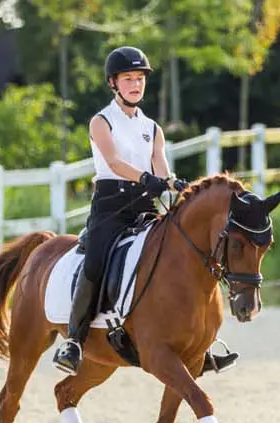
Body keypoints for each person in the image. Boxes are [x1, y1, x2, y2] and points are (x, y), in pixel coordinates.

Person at [54, 46, 187, 375]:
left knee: (181, 254)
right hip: (111, 207)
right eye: (128, 78)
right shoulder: (101, 121)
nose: (136, 84)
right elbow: (113, 162)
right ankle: (74, 340)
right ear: (113, 83)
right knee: (96, 260)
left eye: (140, 78)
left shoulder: (153, 128)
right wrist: (146, 178)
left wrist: (173, 184)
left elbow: (161, 166)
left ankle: (197, 340)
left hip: (144, 207)